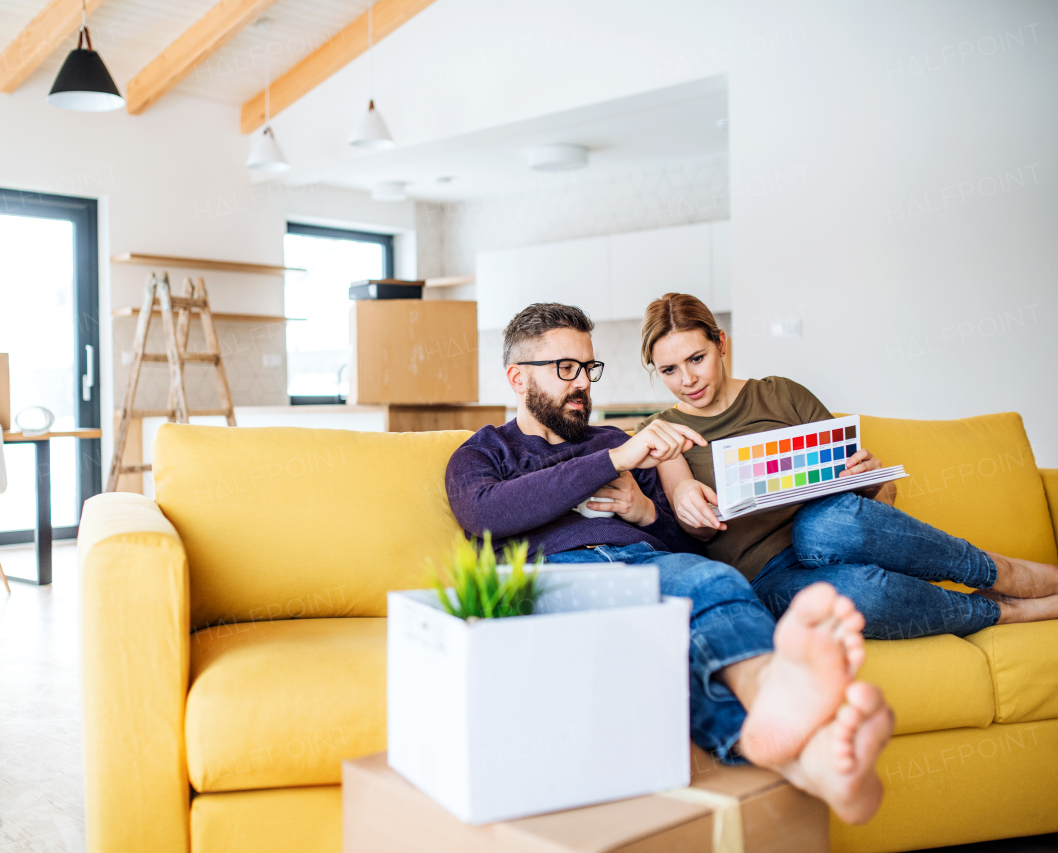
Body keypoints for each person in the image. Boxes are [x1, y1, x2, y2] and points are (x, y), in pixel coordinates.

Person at [445, 302, 894, 825]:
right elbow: (485, 513)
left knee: (712, 580)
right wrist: (611, 463)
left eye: (589, 368)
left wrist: (645, 511)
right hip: (559, 578)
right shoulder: (486, 452)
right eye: (565, 368)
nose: (582, 384)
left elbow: (685, 537)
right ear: (517, 378)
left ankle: (801, 740)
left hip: (646, 565)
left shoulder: (616, 439)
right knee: (644, 643)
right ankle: (805, 746)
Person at [637, 292, 1058, 638]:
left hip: (832, 534)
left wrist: (870, 478)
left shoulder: (782, 395)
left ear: (722, 344)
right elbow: (685, 511)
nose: (687, 380)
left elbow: (883, 503)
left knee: (821, 526)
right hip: (765, 577)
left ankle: (997, 571)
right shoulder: (662, 431)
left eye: (696, 359)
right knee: (859, 595)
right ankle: (999, 611)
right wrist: (690, 504)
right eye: (669, 370)